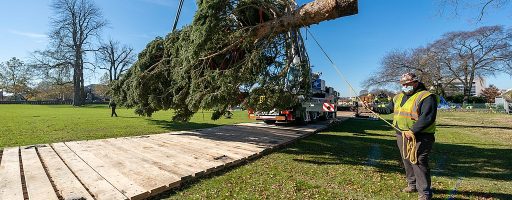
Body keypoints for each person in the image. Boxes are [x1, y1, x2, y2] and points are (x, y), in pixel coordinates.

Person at [390, 73, 437, 200]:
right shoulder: (398, 97)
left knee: (418, 161)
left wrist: (413, 130)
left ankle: (425, 194)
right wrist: (372, 107)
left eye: (407, 84)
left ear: (415, 83)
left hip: (421, 135)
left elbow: (427, 117)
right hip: (402, 134)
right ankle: (412, 185)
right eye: (402, 84)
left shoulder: (426, 96)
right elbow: (389, 109)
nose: (404, 86)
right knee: (406, 159)